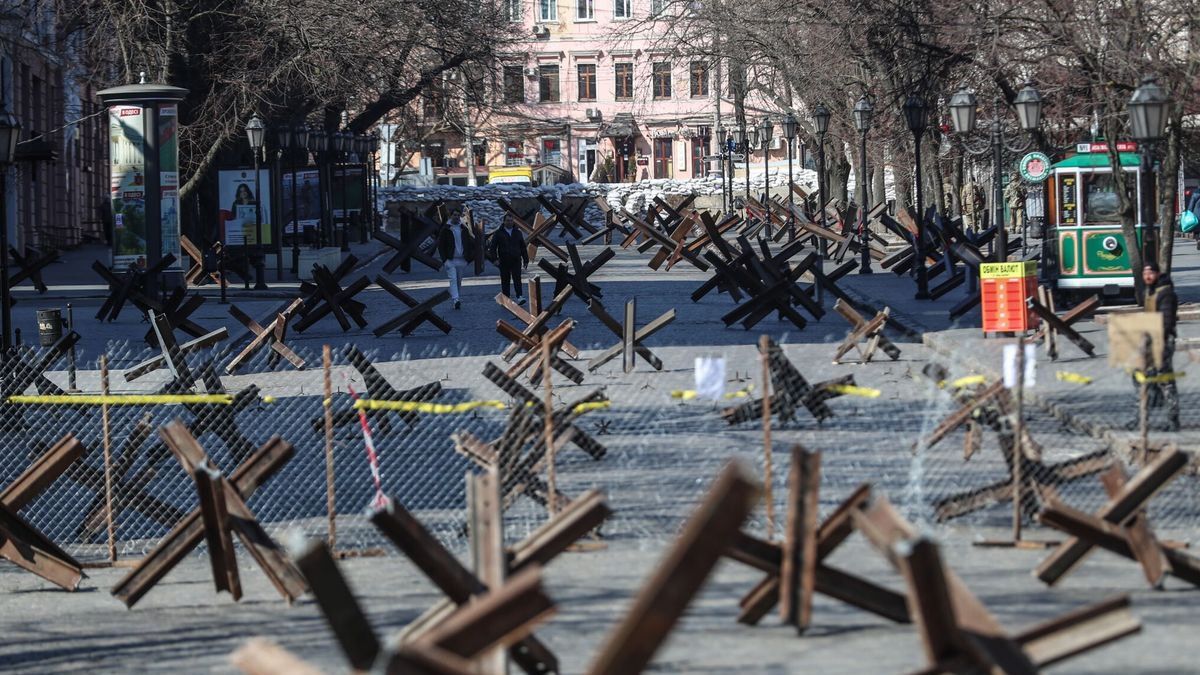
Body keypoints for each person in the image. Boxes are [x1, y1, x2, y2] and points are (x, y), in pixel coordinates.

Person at [1129, 262, 1180, 431]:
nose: (1147, 276)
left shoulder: (1166, 293)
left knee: (1165, 380)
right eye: (1144, 273)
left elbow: (1166, 321)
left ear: (1158, 274)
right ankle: (1141, 419)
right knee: (1140, 378)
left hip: (1163, 341)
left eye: (1150, 273)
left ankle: (1172, 421)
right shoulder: (1148, 292)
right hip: (1149, 342)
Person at [438, 212, 475, 310]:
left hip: (462, 259)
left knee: (458, 280)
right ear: (451, 216)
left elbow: (469, 243)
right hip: (450, 259)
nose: (456, 217)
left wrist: (469, 258)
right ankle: (456, 299)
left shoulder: (464, 229)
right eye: (454, 215)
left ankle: (456, 299)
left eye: (458, 215)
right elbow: (441, 245)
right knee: (453, 279)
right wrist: (444, 260)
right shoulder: (446, 229)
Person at [488, 216, 528, 303]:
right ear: (504, 222)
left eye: (511, 221)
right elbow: (493, 247)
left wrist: (526, 259)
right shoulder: (498, 233)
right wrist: (494, 259)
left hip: (516, 259)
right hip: (504, 260)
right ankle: (506, 297)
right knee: (505, 280)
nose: (509, 222)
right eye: (507, 221)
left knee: (517, 278)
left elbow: (523, 247)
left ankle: (520, 296)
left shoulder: (517, 232)